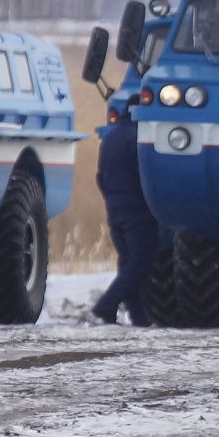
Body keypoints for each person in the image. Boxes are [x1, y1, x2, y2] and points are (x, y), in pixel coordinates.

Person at [92, 102, 156, 326]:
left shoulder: (110, 138)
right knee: (141, 262)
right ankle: (107, 304)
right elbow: (145, 175)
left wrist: (112, 199)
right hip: (137, 211)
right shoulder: (137, 139)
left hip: (115, 210)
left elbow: (99, 177)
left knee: (128, 262)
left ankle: (139, 318)